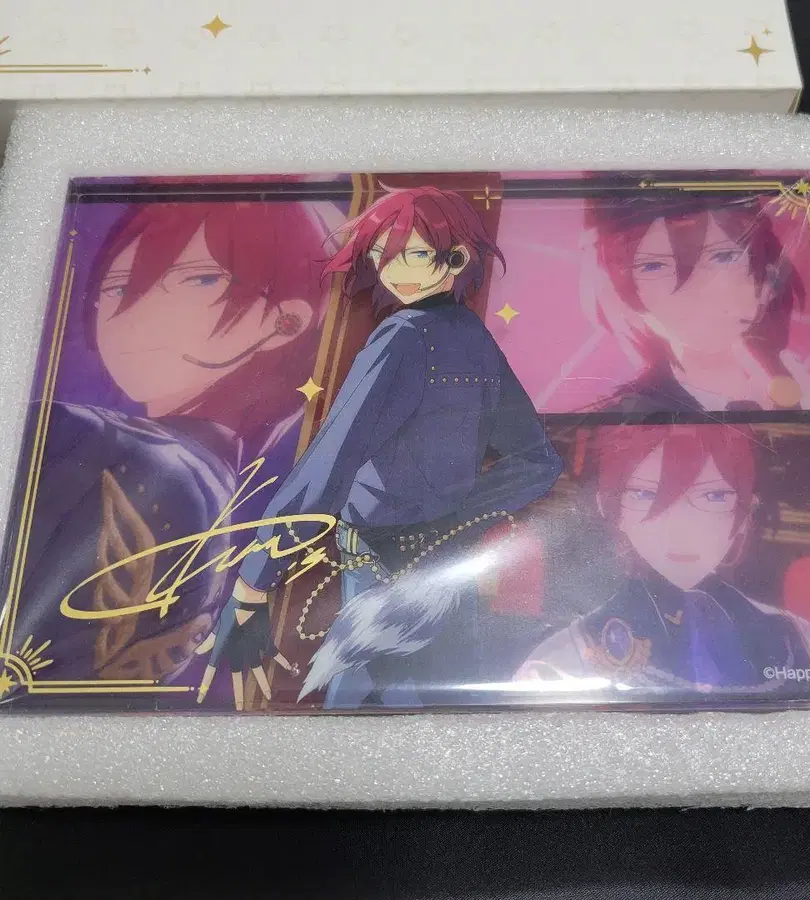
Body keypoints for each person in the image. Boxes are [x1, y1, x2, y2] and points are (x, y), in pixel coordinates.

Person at [201, 186, 563, 710]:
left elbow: (330, 464)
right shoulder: (473, 337)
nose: (393, 271)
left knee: (364, 700)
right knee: (419, 702)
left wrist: (253, 585)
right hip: (441, 565)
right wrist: (455, 519)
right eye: (381, 256)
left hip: (381, 561)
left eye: (413, 254)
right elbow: (537, 462)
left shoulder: (403, 338)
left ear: (457, 258)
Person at [4, 201, 328, 688]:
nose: (133, 312)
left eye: (200, 280)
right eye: (118, 287)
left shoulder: (101, 443)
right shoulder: (209, 493)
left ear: (286, 321)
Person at [515, 424, 810, 697]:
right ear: (611, 508)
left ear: (745, 512)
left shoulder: (801, 642)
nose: (681, 526)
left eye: (714, 496)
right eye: (646, 494)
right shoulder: (561, 662)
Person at [586, 188, 810, 414]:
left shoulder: (809, 396)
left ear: (767, 275)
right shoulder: (627, 415)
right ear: (630, 291)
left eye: (723, 256)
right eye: (654, 266)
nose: (696, 287)